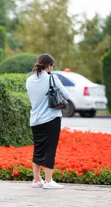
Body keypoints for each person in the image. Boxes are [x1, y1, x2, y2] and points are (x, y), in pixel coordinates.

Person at [26, 53, 70, 189]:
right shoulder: (53, 78)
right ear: (49, 66)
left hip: (35, 120)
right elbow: (66, 95)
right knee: (50, 149)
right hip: (51, 118)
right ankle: (48, 181)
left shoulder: (29, 80)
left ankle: (37, 180)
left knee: (38, 148)